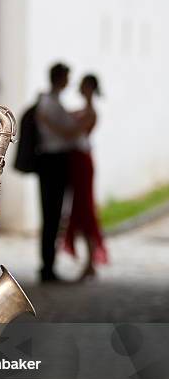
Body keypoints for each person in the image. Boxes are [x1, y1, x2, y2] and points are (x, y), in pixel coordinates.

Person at [35, 62, 85, 282]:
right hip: (54, 163)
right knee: (52, 215)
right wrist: (83, 123)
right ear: (60, 78)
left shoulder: (50, 101)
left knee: (52, 215)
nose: (69, 81)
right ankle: (47, 267)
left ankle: (48, 265)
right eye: (67, 76)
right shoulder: (51, 102)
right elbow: (66, 132)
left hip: (52, 162)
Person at [63, 74, 108, 278]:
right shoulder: (83, 110)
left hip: (83, 162)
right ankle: (89, 261)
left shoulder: (91, 113)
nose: (79, 88)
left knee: (85, 211)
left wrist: (48, 120)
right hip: (78, 162)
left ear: (89, 87)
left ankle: (90, 262)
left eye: (83, 85)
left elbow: (71, 133)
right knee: (80, 210)